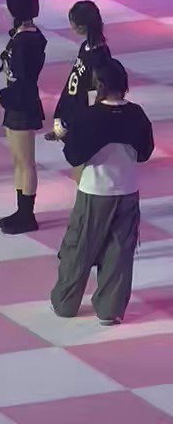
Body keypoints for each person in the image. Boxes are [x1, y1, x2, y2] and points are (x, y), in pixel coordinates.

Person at [51, 59, 154, 326]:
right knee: (120, 251)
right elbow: (144, 152)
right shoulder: (137, 114)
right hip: (128, 189)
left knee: (79, 247)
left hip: (95, 191)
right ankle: (110, 309)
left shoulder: (90, 116)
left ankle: (65, 302)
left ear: (100, 85)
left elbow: (74, 156)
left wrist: (65, 137)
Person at [0, 0, 47, 235]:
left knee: (26, 162)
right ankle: (21, 209)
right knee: (18, 161)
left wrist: (0, 96)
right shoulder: (25, 36)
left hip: (22, 104)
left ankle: (27, 214)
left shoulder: (26, 42)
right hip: (16, 102)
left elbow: (23, 82)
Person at [46, 0, 111, 154]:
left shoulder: (99, 55)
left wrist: (83, 118)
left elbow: (96, 90)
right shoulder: (85, 47)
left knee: (81, 159)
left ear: (82, 26)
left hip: (82, 114)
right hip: (72, 108)